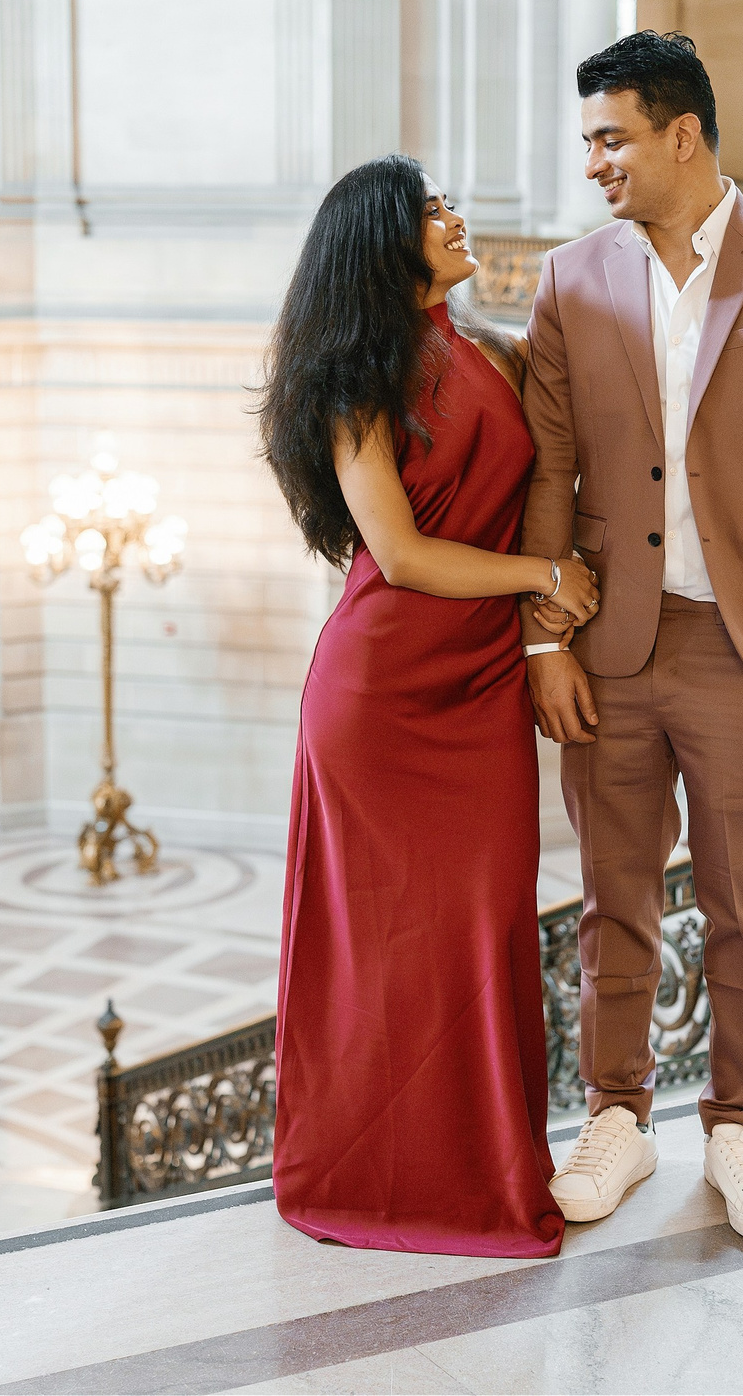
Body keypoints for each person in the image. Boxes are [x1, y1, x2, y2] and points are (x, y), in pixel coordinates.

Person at [522, 31, 743, 1246]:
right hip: (609, 644)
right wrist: (543, 643)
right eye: (587, 144)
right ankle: (616, 1117)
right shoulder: (569, 278)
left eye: (610, 139)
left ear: (683, 135)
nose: (594, 165)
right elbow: (549, 473)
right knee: (610, 897)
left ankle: (741, 1132)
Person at [256, 156, 598, 1259]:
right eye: (433, 209)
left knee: (482, 929)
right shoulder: (358, 380)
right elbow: (398, 557)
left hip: (480, 684)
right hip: (382, 695)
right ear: (384, 244)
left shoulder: (488, 345)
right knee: (381, 950)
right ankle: (363, 1178)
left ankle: (486, 1177)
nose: (457, 217)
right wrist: (543, 582)